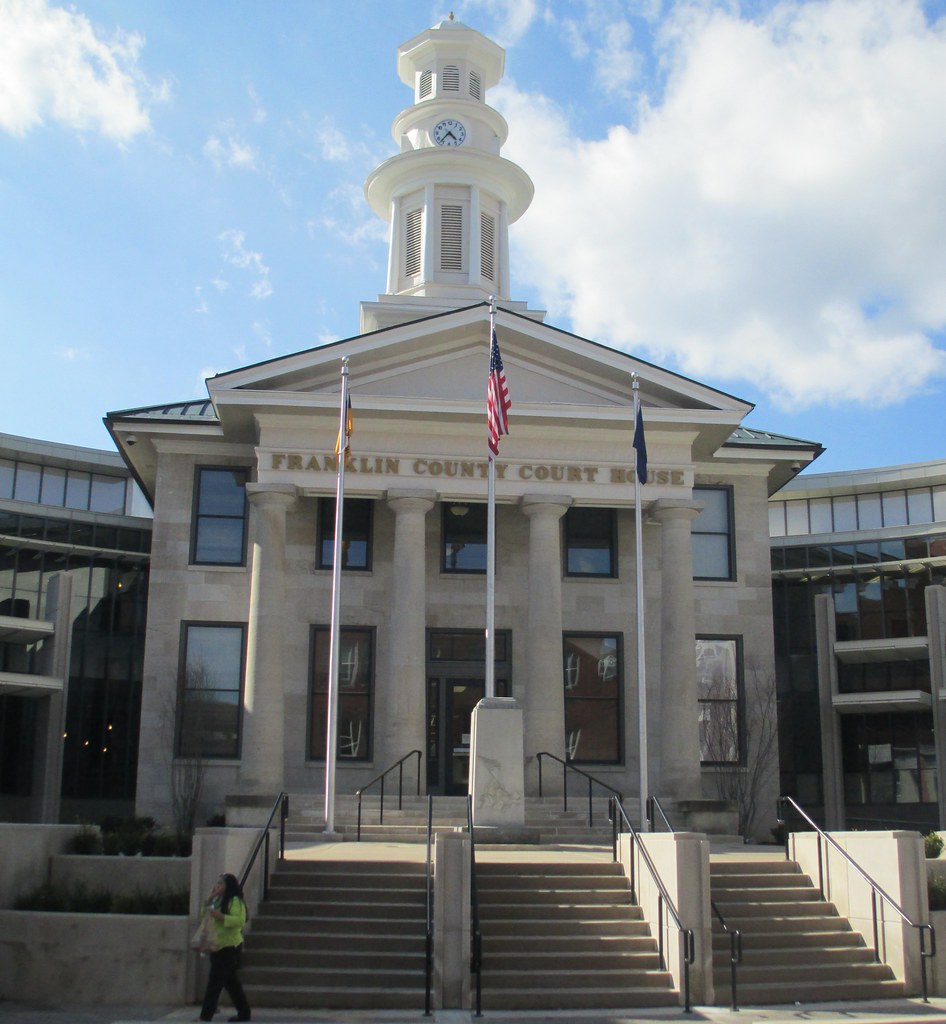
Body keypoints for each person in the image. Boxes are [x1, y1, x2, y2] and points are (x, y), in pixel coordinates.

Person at [198, 872, 251, 1023]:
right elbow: (204, 914)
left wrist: (220, 916)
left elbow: (239, 920)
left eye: (221, 884)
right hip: (217, 944)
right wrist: (209, 899)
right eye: (217, 883)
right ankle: (244, 1011)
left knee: (215, 982)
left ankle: (205, 1016)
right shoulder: (218, 900)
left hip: (230, 946)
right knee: (230, 982)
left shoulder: (235, 901)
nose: (218, 886)